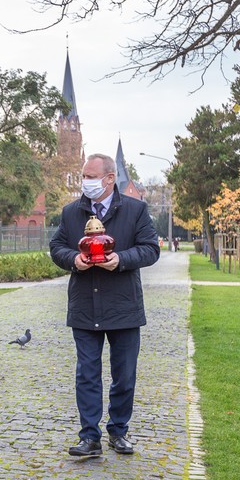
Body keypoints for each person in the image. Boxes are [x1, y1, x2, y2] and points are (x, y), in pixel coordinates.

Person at [49, 153, 160, 456]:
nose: (85, 181)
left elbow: (150, 249)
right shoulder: (72, 212)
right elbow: (56, 247)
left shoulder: (135, 210)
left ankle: (118, 431)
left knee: (124, 375)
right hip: (85, 305)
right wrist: (73, 259)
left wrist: (120, 259)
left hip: (124, 306)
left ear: (110, 179)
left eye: (91, 176)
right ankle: (90, 437)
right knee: (87, 374)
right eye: (84, 176)